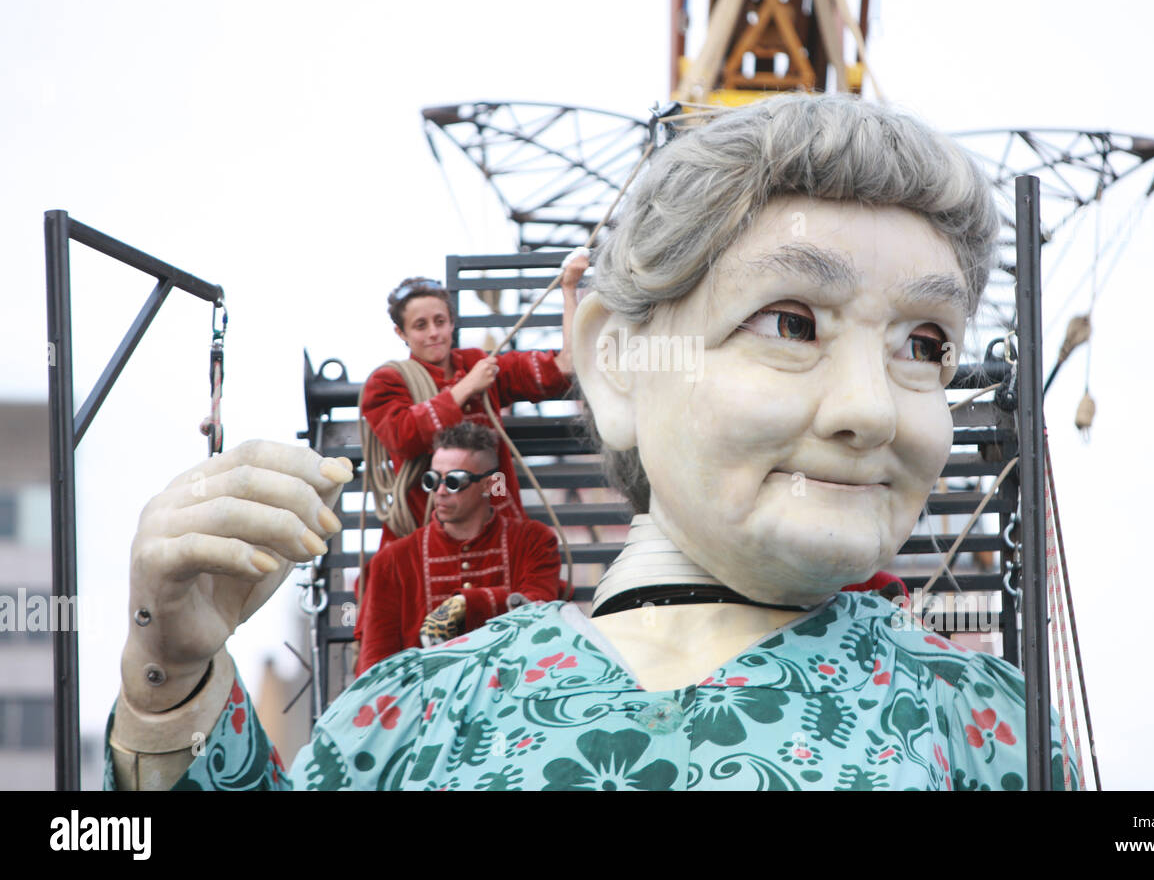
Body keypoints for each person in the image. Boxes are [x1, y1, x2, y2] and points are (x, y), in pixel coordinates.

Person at [106, 94, 1077, 791]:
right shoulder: (412, 711)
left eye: (925, 344)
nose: (872, 405)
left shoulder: (985, 723)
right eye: (792, 322)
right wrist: (171, 674)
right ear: (615, 365)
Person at [361, 260, 586, 547]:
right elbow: (403, 437)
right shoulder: (386, 382)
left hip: (497, 513)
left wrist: (569, 289)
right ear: (401, 333)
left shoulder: (480, 364)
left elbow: (565, 365)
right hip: (425, 531)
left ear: (451, 323)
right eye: (420, 325)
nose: (433, 333)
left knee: (535, 549)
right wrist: (467, 386)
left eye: (440, 322)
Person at [355, 422, 561, 675]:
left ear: (488, 485)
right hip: (426, 703)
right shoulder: (392, 561)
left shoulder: (534, 540)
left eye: (454, 481)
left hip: (511, 694)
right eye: (431, 480)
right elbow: (375, 665)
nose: (439, 492)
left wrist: (468, 602)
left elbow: (539, 610)